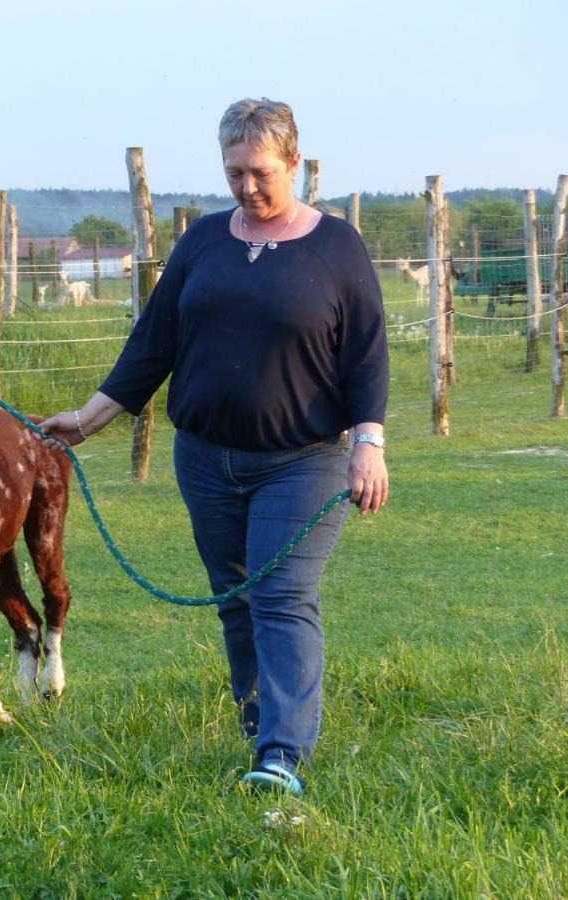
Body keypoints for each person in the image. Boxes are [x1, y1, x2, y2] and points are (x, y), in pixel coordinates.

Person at [39, 98, 389, 795]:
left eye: (260, 172)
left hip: (303, 460)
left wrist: (368, 442)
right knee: (235, 598)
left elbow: (367, 354)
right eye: (234, 173)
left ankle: (283, 758)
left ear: (293, 161)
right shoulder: (203, 241)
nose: (247, 187)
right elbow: (155, 343)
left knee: (281, 597)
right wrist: (91, 417)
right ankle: (260, 728)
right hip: (204, 459)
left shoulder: (336, 246)